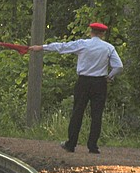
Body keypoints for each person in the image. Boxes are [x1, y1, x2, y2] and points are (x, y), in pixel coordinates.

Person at [28, 22, 123, 154]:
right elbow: (119, 66)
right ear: (102, 34)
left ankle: (71, 143)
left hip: (83, 81)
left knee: (77, 112)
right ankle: (93, 146)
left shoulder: (83, 44)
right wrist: (110, 76)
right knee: (97, 114)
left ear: (91, 32)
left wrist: (41, 47)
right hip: (100, 83)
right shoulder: (108, 47)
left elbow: (62, 47)